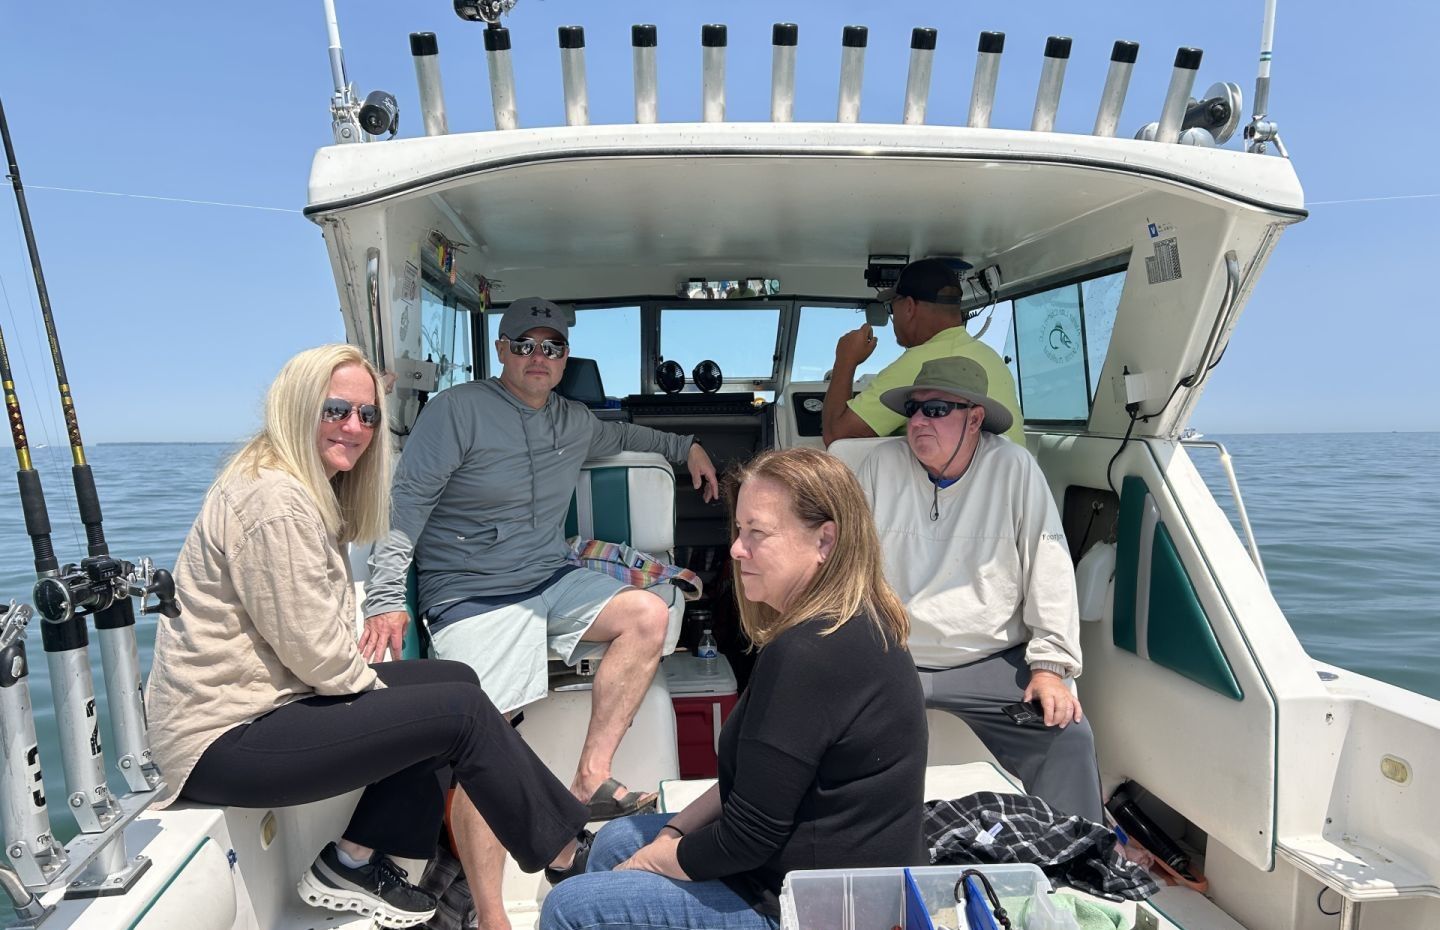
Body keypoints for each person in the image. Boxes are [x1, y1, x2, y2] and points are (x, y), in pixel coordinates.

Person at [144, 345, 591, 930]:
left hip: (266, 706)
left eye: (368, 414)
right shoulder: (275, 502)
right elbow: (318, 657)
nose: (354, 427)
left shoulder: (298, 483)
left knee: (456, 680)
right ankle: (566, 856)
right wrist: (406, 708)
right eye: (335, 410)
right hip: (222, 740)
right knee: (455, 712)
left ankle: (353, 858)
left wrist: (406, 705)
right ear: (297, 407)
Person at [361, 297, 720, 930]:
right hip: (471, 591)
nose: (538, 357)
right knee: (483, 742)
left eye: (551, 347)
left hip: (548, 578)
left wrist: (688, 445)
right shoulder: (457, 411)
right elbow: (406, 504)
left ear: (564, 357)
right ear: (502, 350)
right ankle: (492, 914)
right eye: (524, 345)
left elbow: (630, 435)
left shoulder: (574, 420)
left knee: (648, 614)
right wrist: (386, 595)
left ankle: (589, 780)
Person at [540, 447, 928, 930]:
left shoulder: (810, 654)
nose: (736, 550)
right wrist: (674, 831)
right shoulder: (846, 624)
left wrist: (651, 862)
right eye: (739, 530)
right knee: (615, 840)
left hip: (814, 908)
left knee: (571, 907)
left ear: (825, 540)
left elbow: (747, 837)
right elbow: (757, 786)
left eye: (757, 533)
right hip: (797, 863)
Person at [854, 355, 1103, 822]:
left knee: (1067, 736)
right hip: (891, 653)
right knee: (817, 724)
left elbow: (1048, 568)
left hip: (989, 658)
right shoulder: (880, 465)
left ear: (974, 419)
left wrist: (1050, 668)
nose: (918, 421)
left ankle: (1074, 851)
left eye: (935, 409)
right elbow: (846, 564)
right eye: (912, 409)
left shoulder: (1014, 468)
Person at [821, 256, 1025, 446]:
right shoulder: (990, 356)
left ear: (909, 307)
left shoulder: (923, 363)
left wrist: (845, 359)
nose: (893, 318)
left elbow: (837, 438)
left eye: (891, 308)